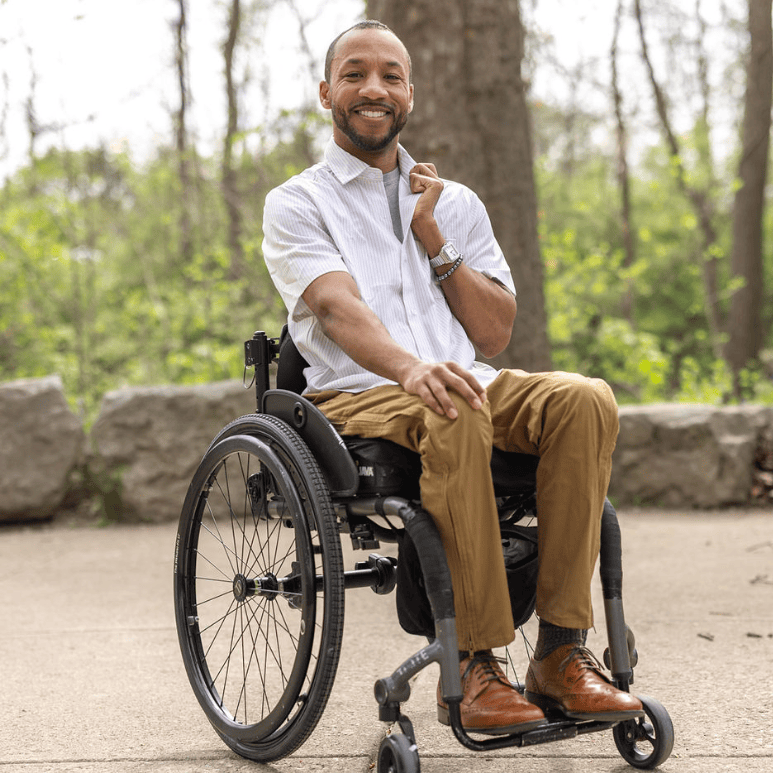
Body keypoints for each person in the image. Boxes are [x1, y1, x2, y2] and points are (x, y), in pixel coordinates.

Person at [262, 19, 643, 735]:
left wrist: (433, 238)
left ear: (410, 94)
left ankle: (561, 653)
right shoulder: (297, 203)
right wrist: (411, 370)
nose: (373, 87)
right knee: (453, 405)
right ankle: (475, 664)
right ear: (326, 93)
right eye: (354, 74)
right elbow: (338, 309)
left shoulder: (454, 202)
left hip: (470, 380)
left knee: (585, 399)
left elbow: (494, 333)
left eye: (390, 75)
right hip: (360, 395)